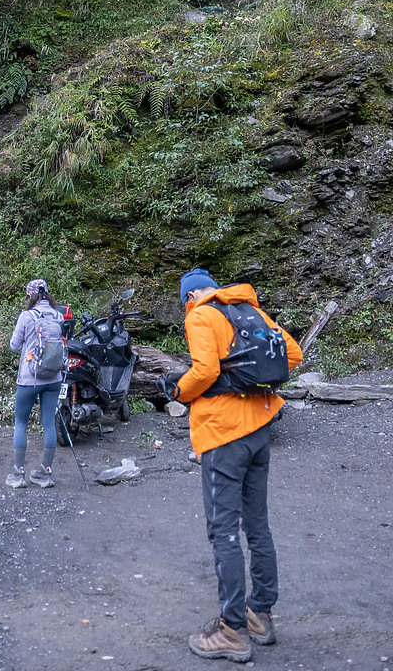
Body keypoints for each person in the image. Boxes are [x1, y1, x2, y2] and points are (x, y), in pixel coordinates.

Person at [170, 270, 302, 662]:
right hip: (260, 427)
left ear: (191, 294)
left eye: (185, 300)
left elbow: (206, 371)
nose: (187, 307)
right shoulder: (249, 310)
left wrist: (178, 391)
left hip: (223, 434)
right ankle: (260, 614)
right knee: (257, 525)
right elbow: (292, 355)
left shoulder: (201, 315)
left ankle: (232, 630)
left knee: (223, 531)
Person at [6, 279, 65, 489]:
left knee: (21, 423)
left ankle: (18, 474)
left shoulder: (26, 316)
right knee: (48, 422)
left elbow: (14, 346)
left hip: (30, 378)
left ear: (30, 296)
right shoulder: (58, 316)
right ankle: (45, 473)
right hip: (54, 378)